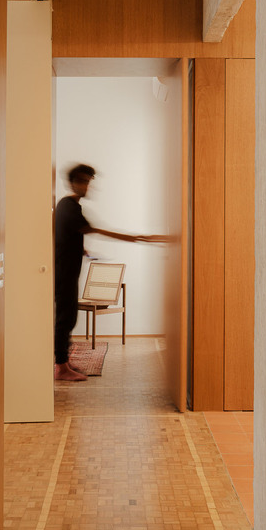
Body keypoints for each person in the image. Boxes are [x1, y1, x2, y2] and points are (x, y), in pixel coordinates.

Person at [53, 163, 162, 382]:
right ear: (72, 183)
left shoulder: (69, 206)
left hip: (68, 271)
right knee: (66, 318)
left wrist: (81, 249)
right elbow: (92, 229)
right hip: (64, 273)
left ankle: (63, 362)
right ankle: (61, 367)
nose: (86, 186)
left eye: (88, 182)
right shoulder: (69, 206)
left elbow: (69, 234)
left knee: (69, 316)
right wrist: (134, 237)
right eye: (82, 181)